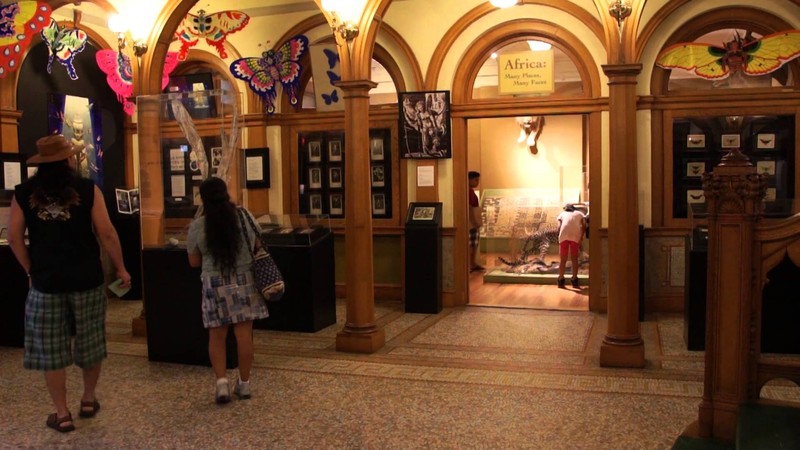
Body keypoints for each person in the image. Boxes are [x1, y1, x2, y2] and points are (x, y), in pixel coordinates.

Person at [7, 134, 131, 433]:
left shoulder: (23, 193)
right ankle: (88, 399)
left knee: (51, 351)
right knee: (90, 341)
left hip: (46, 282)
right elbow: (107, 233)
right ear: (68, 160)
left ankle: (62, 414)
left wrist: (30, 269)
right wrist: (121, 268)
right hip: (86, 279)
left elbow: (13, 237)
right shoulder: (88, 189)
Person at [186, 177, 269, 404]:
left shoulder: (198, 226)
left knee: (217, 335)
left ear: (203, 198)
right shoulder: (244, 216)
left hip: (214, 284)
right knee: (244, 335)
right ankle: (244, 384)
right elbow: (258, 245)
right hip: (245, 281)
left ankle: (221, 383)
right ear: (225, 193)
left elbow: (193, 262)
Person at [556, 203, 586, 289]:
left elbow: (559, 226)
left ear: (565, 209)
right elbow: (584, 225)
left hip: (563, 235)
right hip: (575, 235)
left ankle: (561, 280)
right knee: (574, 259)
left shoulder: (562, 214)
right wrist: (581, 236)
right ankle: (574, 280)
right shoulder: (579, 213)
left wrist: (559, 236)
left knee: (563, 259)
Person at [468, 171, 484, 272]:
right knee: (472, 243)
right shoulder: (469, 191)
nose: (477, 182)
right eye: (476, 180)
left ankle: (472, 263)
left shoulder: (471, 191)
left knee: (474, 243)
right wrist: (474, 221)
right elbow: (469, 207)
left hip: (472, 221)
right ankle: (471, 264)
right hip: (471, 223)